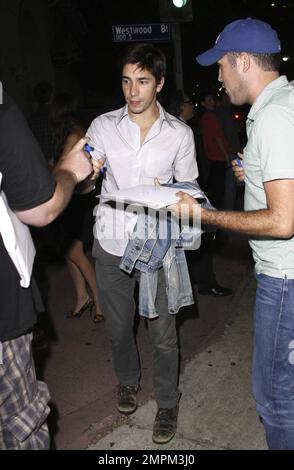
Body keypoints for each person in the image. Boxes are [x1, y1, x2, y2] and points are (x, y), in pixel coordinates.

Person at [172, 18, 294, 450]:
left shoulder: (276, 115)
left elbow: (283, 221)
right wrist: (254, 175)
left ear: (243, 61)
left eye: (222, 66)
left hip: (285, 279)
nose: (219, 78)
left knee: (276, 400)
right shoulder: (284, 105)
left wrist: (206, 216)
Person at [86, 43, 198, 444]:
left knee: (163, 332)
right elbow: (85, 177)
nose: (133, 91)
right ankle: (127, 382)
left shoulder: (179, 135)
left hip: (157, 247)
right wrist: (86, 175)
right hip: (112, 241)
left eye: (143, 81)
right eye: (127, 81)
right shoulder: (102, 126)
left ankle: (167, 401)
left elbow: (190, 191)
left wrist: (174, 196)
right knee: (118, 328)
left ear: (160, 83)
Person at [0, 91, 93, 449]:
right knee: (19, 428)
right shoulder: (8, 112)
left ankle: (92, 300)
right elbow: (41, 205)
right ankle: (88, 299)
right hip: (5, 306)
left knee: (75, 253)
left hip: (61, 201)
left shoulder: (70, 129)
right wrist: (70, 170)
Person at [167, 90, 232, 297]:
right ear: (180, 106)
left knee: (191, 241)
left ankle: (200, 281)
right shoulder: (177, 130)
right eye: (188, 102)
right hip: (184, 196)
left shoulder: (182, 128)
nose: (192, 105)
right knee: (198, 239)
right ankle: (204, 282)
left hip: (186, 192)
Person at [50, 93, 103, 323]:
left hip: (78, 200)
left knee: (74, 252)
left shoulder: (75, 134)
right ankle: (82, 298)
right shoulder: (70, 133)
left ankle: (100, 303)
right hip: (71, 198)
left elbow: (62, 168)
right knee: (69, 252)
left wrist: (51, 170)